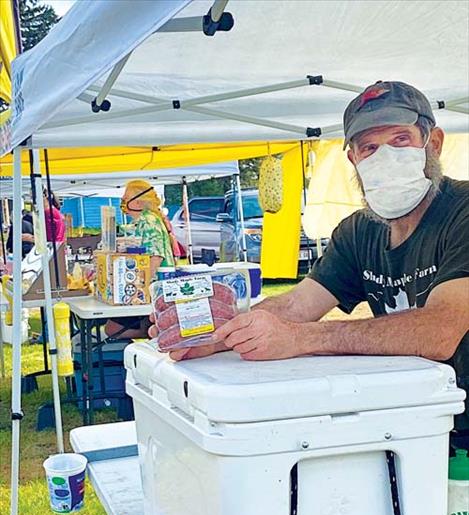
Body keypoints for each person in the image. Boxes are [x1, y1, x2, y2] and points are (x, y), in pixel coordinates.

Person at [149, 81, 469, 434]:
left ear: (433, 143)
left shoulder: (462, 212)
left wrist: (301, 339)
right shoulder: (359, 231)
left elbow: (441, 330)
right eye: (370, 147)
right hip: (420, 421)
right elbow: (295, 306)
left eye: (400, 140)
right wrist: (215, 335)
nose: (385, 157)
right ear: (354, 159)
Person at [105, 180, 176, 339]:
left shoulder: (148, 221)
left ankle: (151, 334)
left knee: (112, 330)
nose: (123, 202)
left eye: (125, 198)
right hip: (151, 289)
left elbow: (155, 258)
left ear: (137, 201)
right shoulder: (146, 219)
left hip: (154, 288)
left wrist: (140, 289)